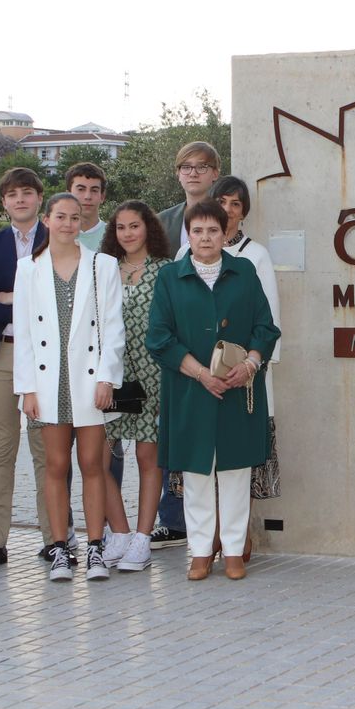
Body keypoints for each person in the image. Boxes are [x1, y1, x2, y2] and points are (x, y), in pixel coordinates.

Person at [147, 200, 278, 581]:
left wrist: (250, 364)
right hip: (190, 389)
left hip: (239, 388)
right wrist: (201, 373)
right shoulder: (171, 277)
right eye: (198, 231)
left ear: (225, 233)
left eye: (213, 231)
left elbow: (265, 328)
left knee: (236, 470)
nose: (205, 238)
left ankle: (234, 551)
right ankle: (201, 551)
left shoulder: (244, 271)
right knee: (196, 473)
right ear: (188, 234)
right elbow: (159, 337)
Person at [14, 193, 126, 583]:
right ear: (46, 220)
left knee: (93, 465)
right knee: (56, 466)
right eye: (60, 216)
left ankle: (96, 548)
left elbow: (113, 327)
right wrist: (27, 388)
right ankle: (60, 548)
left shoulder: (102, 265)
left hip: (89, 379)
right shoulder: (28, 268)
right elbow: (25, 333)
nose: (67, 224)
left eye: (74, 218)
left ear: (83, 222)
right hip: (48, 383)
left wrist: (106, 377)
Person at [0, 167, 54, 571]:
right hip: (2, 355)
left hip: (46, 356)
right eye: (12, 194)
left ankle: (54, 538)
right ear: (3, 202)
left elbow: (58, 300)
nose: (20, 199)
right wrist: (20, 299)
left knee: (46, 448)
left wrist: (11, 297)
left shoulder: (55, 238)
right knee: (2, 448)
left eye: (27, 192)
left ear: (40, 198)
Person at [150, 140, 223, 549]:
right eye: (186, 166)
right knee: (174, 429)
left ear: (215, 172)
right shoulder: (162, 222)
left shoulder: (225, 215)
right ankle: (174, 518)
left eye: (202, 166)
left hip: (218, 343)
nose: (193, 173)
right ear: (178, 173)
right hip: (175, 344)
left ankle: (218, 525)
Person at [99, 201, 174, 571]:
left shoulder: (167, 272)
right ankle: (122, 532)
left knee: (148, 457)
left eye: (134, 226)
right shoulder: (102, 270)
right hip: (111, 376)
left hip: (154, 375)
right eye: (121, 228)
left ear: (149, 229)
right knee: (97, 457)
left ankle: (143, 539)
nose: (127, 234)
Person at [214, 175, 282, 548]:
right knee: (206, 461)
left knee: (241, 459)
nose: (227, 211)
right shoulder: (185, 255)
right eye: (221, 202)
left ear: (244, 213)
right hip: (202, 377)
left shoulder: (255, 255)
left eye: (235, 204)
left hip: (245, 374)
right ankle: (208, 535)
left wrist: (253, 365)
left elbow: (270, 321)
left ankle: (237, 537)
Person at [66, 162, 109, 251]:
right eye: (81, 189)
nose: (88, 196)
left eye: (94, 190)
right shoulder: (55, 236)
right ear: (68, 195)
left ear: (102, 196)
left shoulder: (115, 235)